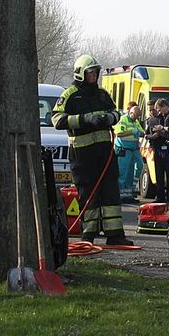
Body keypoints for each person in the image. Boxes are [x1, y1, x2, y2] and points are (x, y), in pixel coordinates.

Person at [52, 55, 132, 245]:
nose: (94, 76)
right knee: (88, 194)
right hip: (82, 155)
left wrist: (109, 118)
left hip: (105, 153)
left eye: (96, 72)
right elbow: (56, 119)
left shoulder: (102, 94)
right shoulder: (70, 95)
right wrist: (85, 120)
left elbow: (116, 113)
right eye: (90, 73)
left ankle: (115, 235)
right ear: (81, 74)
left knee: (111, 191)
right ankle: (88, 236)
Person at [114, 102, 144, 201]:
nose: (136, 118)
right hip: (124, 149)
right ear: (131, 113)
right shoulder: (123, 119)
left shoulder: (135, 121)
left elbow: (141, 131)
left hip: (133, 149)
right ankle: (121, 193)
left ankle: (129, 191)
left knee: (135, 168)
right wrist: (132, 132)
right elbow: (119, 133)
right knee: (123, 172)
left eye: (138, 117)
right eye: (135, 116)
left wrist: (141, 133)